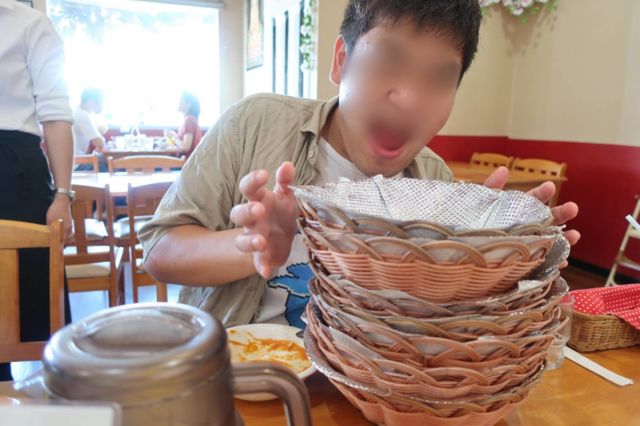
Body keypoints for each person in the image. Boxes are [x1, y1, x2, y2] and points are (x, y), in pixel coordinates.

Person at [139, 0, 580, 328]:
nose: (408, 98)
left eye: (438, 77)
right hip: (242, 388)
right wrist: (250, 247)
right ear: (341, 61)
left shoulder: (436, 184)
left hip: (366, 398)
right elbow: (159, 252)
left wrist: (497, 268)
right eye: (388, 60)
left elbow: (440, 326)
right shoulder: (253, 124)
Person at [0, 0, 74, 381]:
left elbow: (55, 113)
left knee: (33, 312)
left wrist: (63, 195)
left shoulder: (30, 24)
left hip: (15, 172)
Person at [72, 87, 105, 158]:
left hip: (76, 159)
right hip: (78, 161)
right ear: (91, 100)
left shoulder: (78, 112)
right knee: (109, 163)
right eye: (101, 102)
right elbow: (99, 143)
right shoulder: (82, 115)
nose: (102, 105)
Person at [167, 91, 203, 157]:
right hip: (185, 159)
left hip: (186, 161)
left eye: (180, 101)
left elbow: (186, 147)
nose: (178, 103)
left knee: (155, 162)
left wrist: (174, 137)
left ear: (188, 104)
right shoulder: (191, 119)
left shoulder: (189, 120)